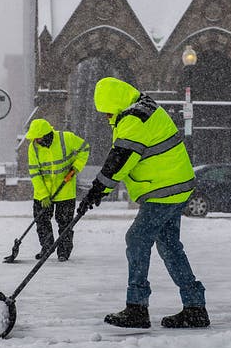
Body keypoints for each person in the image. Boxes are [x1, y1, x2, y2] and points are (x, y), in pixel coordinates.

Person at [78, 77, 209, 329]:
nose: (105, 116)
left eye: (106, 110)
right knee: (169, 246)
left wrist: (97, 189)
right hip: (173, 186)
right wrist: (99, 189)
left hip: (164, 189)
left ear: (114, 103)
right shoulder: (141, 109)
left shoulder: (134, 119)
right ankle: (195, 307)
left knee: (137, 239)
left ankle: (137, 307)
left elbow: (121, 157)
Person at [26, 118, 90, 262]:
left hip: (65, 190)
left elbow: (84, 148)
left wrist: (75, 168)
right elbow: (35, 173)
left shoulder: (66, 138)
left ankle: (64, 251)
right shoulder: (33, 148)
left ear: (47, 134)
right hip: (43, 192)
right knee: (41, 220)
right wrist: (43, 195)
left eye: (38, 137)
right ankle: (47, 247)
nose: (36, 140)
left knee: (65, 222)